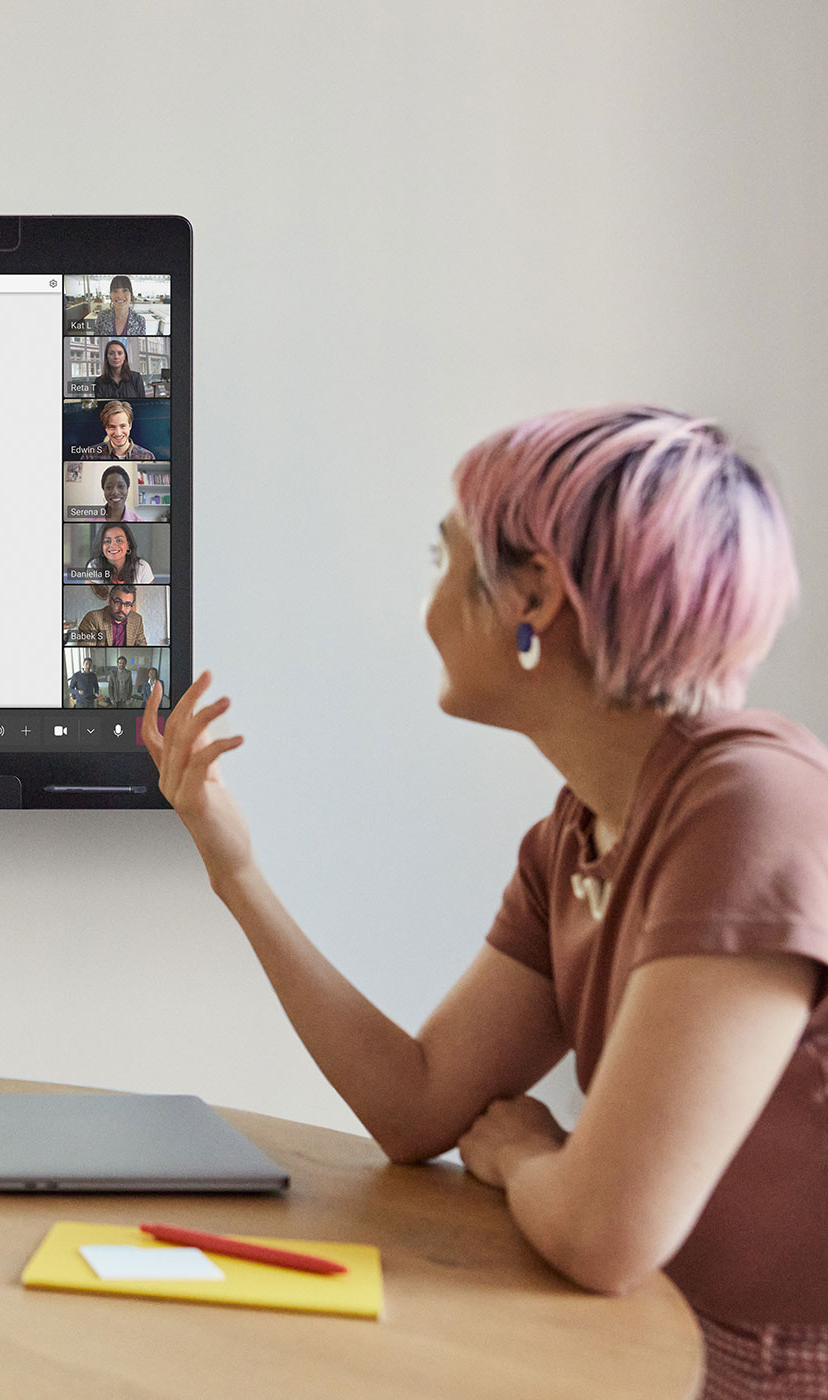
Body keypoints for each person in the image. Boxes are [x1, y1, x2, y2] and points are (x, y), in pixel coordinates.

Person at [141, 405, 828, 1398]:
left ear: (536, 595)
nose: (426, 606)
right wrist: (233, 867)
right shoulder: (575, 834)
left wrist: (525, 1153)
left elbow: (602, 1232)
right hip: (645, 1341)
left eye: (444, 556)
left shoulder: (749, 806)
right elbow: (416, 1102)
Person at [77, 583, 147, 647]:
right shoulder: (92, 618)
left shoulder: (137, 619)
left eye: (127, 604)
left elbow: (141, 643)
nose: (122, 609)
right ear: (110, 601)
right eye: (118, 602)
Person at [85, 522, 154, 585]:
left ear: (128, 544)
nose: (113, 545)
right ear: (101, 546)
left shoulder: (142, 566)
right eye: (107, 541)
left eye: (119, 540)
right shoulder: (94, 566)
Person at [89, 399, 155, 460]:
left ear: (130, 425)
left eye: (123, 426)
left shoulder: (146, 457)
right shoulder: (91, 455)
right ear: (106, 428)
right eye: (112, 427)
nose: (118, 433)